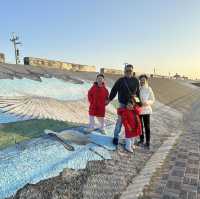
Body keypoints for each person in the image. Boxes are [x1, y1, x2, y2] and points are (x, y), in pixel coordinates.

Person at [106, 64, 140, 145]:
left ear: (132, 71)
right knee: (120, 121)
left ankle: (128, 138)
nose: (128, 72)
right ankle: (116, 137)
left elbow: (137, 93)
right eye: (127, 70)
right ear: (124, 71)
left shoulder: (135, 81)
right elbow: (114, 90)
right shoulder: (120, 80)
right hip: (123, 104)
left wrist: (139, 103)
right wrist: (109, 99)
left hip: (132, 105)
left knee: (131, 122)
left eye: (130, 71)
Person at [137, 74, 155, 149]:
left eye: (144, 80)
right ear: (139, 80)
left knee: (147, 126)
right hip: (139, 109)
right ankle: (141, 139)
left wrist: (147, 102)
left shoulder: (149, 89)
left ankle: (148, 141)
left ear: (146, 81)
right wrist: (137, 102)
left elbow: (153, 99)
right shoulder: (138, 88)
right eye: (141, 80)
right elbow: (135, 97)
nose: (142, 81)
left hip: (146, 110)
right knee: (140, 126)